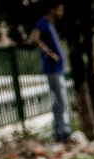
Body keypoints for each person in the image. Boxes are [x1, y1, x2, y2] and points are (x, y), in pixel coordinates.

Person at [28, 0, 71, 143]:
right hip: (52, 69)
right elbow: (33, 38)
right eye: (60, 9)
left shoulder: (50, 24)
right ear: (52, 9)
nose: (61, 12)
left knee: (61, 100)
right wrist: (49, 53)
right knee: (60, 101)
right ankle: (62, 132)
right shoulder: (43, 22)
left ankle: (63, 131)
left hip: (58, 69)